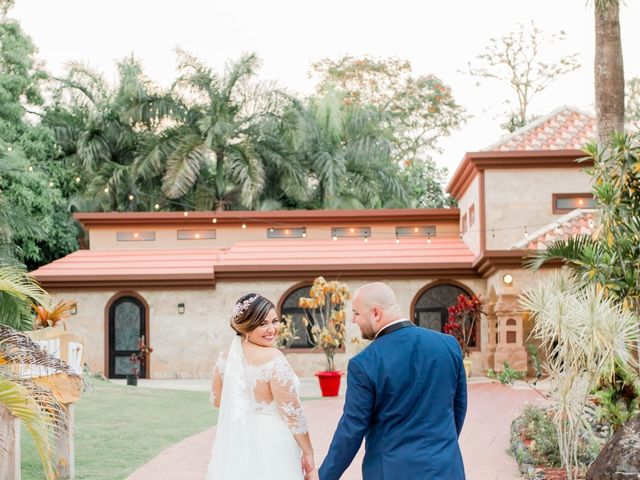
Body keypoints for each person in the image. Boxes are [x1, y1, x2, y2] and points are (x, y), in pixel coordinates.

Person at [319, 282, 467, 480]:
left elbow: (351, 429)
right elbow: (458, 407)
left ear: (376, 313)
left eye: (356, 313)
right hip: (445, 467)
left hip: (391, 471)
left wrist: (324, 476)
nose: (353, 320)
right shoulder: (448, 345)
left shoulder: (365, 363)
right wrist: (442, 445)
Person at [207, 293, 318, 480]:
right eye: (262, 324)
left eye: (274, 321)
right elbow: (292, 412)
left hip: (236, 443)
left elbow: (217, 401)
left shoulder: (224, 359)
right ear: (246, 327)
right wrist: (308, 452)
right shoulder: (274, 358)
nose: (272, 329)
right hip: (273, 442)